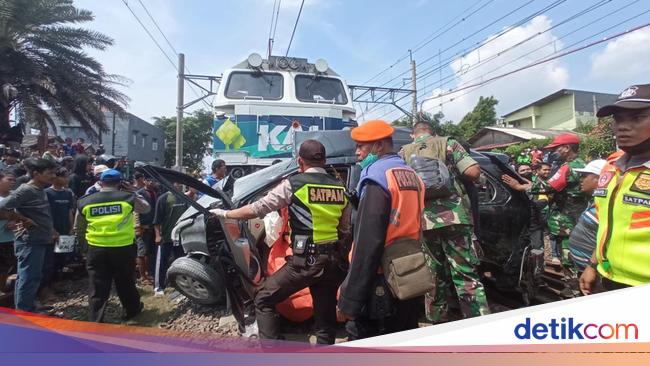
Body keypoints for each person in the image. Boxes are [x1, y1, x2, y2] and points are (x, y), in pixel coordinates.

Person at [211, 139, 350, 344]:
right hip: (332, 263)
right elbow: (344, 228)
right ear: (324, 161)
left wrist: (226, 213)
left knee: (263, 298)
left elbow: (258, 208)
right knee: (325, 317)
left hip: (305, 263)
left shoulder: (294, 184)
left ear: (300, 161)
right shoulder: (340, 188)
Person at [336, 120, 424, 339]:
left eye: (361, 147)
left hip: (380, 279)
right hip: (409, 272)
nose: (357, 153)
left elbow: (368, 244)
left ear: (379, 146)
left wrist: (350, 300)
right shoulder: (410, 174)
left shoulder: (377, 177)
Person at [400, 121, 489, 323]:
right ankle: (478, 321)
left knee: (433, 275)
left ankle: (436, 321)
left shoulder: (404, 152)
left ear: (413, 135)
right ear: (433, 132)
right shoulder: (447, 143)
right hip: (454, 216)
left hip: (424, 220)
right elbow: (473, 172)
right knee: (465, 273)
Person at [580, 84, 650, 294]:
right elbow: (609, 225)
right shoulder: (611, 168)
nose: (622, 127)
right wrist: (593, 265)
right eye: (618, 119)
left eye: (637, 118)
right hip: (608, 279)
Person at [75, 169, 150, 322]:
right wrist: (134, 191)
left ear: (101, 182)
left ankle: (96, 319)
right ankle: (132, 311)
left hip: (96, 248)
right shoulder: (128, 198)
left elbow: (79, 227)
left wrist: (84, 248)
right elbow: (146, 208)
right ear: (120, 183)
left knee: (97, 287)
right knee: (125, 282)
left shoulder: (85, 200)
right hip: (123, 248)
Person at [0, 158, 57, 312]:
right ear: (36, 174)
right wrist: (23, 219)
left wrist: (51, 230)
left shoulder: (39, 190)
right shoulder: (25, 190)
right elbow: (2, 207)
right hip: (29, 241)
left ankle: (28, 306)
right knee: (28, 276)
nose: (53, 176)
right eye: (49, 173)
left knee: (32, 276)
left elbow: (41, 214)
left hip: (40, 238)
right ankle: (25, 312)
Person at [532, 133, 587, 267]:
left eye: (556, 149)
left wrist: (523, 186)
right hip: (579, 215)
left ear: (567, 148)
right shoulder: (582, 164)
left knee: (567, 254)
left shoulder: (567, 167)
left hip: (567, 217)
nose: (554, 152)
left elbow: (548, 187)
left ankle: (573, 285)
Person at [568, 159, 606, 273]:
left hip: (595, 272)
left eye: (584, 176)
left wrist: (593, 267)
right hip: (583, 268)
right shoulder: (593, 200)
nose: (581, 180)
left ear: (599, 178)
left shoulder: (606, 206)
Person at [42, 167, 76, 292]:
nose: (67, 179)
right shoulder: (47, 193)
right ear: (55, 177)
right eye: (64, 176)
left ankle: (57, 282)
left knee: (62, 257)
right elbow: (45, 213)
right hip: (51, 231)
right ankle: (47, 286)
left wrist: (72, 227)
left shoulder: (67, 193)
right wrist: (51, 229)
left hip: (65, 230)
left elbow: (69, 211)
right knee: (50, 259)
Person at [152, 183, 188, 296]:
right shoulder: (163, 199)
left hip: (180, 237)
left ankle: (181, 285)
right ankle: (159, 287)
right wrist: (158, 235)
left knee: (181, 261)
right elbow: (157, 220)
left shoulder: (184, 197)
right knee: (162, 262)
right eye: (176, 183)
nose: (179, 185)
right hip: (166, 237)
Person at [135, 175, 158, 284]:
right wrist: (138, 226)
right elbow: (135, 211)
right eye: (148, 180)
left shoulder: (156, 192)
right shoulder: (140, 193)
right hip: (143, 227)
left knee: (151, 252)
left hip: (153, 226)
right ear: (144, 181)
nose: (151, 182)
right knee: (142, 252)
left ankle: (150, 273)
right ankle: (142, 276)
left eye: (153, 180)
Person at [0, 171, 17, 293]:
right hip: (1, 238)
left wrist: (16, 222)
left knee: (10, 266)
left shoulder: (15, 196)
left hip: (13, 238)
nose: (12, 182)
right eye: (9, 180)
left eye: (14, 180)